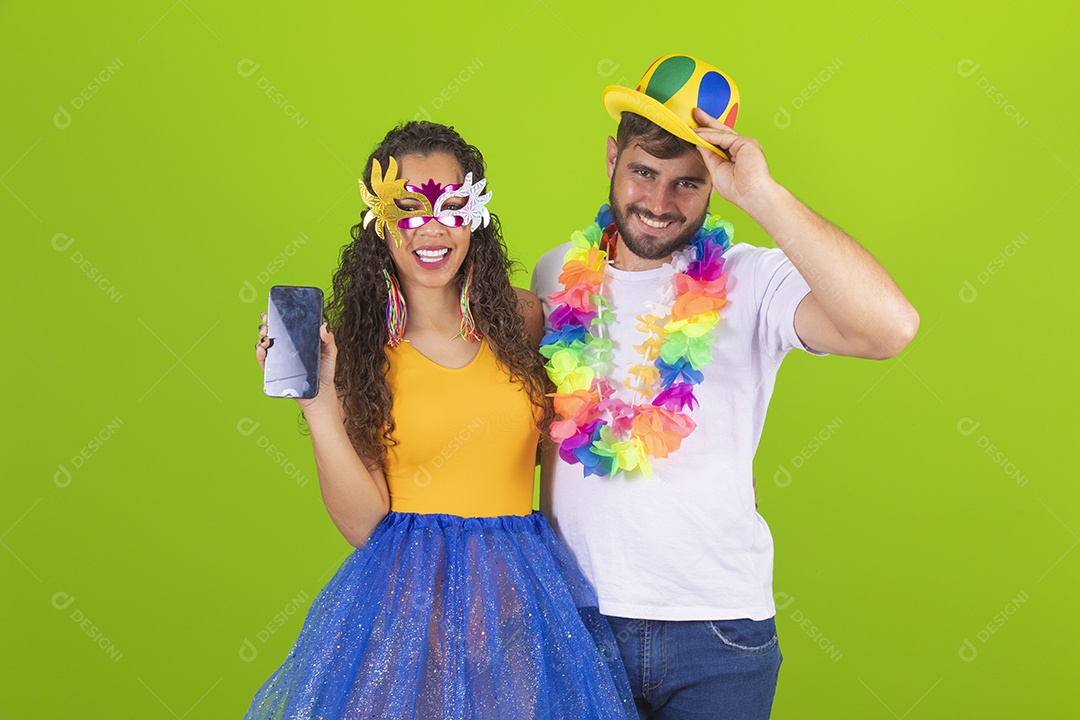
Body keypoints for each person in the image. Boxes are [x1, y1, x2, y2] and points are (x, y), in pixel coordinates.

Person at [531, 55, 919, 719]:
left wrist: (762, 196)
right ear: (610, 159)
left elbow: (891, 328)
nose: (658, 202)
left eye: (688, 182)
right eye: (643, 172)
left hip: (717, 634)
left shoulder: (754, 279)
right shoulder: (555, 276)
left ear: (716, 184)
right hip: (575, 621)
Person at [249, 121, 634, 719]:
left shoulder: (525, 317)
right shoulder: (356, 351)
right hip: (411, 617)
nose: (431, 227)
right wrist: (318, 400)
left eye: (451, 205)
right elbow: (364, 525)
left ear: (475, 212)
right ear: (379, 220)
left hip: (522, 607)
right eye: (408, 207)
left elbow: (591, 410)